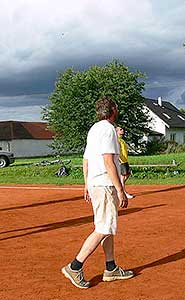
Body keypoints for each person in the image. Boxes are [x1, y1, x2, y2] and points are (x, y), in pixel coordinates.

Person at [61, 96, 134, 289]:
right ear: (113, 111)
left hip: (95, 183)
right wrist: (121, 190)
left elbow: (86, 159)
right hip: (104, 184)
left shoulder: (93, 129)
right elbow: (109, 160)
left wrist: (86, 184)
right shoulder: (109, 130)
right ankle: (75, 266)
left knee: (106, 226)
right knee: (103, 228)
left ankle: (111, 268)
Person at [116, 126, 134, 199]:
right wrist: (119, 160)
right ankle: (123, 192)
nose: (122, 130)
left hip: (125, 160)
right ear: (116, 131)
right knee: (123, 177)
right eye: (120, 129)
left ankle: (119, 186)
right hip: (121, 161)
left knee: (127, 175)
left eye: (122, 129)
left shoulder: (122, 140)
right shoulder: (117, 140)